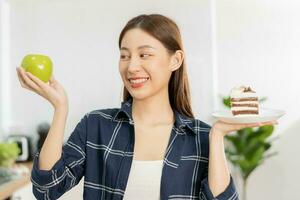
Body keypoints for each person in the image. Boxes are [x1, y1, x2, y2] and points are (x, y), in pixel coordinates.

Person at [16, 14, 277, 200]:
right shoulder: (96, 126)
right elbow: (47, 189)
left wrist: (217, 136)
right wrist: (60, 108)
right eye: (124, 55)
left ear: (175, 60)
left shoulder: (200, 138)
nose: (131, 66)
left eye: (145, 54)